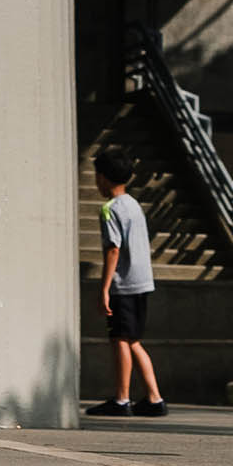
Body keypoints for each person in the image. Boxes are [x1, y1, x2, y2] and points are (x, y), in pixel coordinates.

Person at [84, 150, 166, 418]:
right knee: (132, 340)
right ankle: (154, 398)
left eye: (97, 176)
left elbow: (113, 250)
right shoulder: (133, 204)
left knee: (120, 338)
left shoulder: (110, 209)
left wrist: (105, 287)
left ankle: (121, 399)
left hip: (124, 283)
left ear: (104, 178)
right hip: (142, 282)